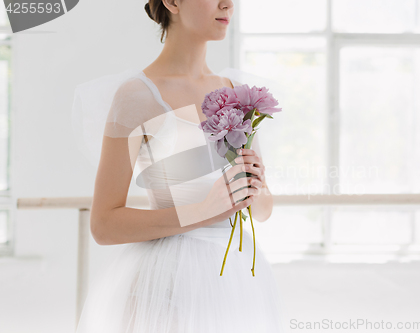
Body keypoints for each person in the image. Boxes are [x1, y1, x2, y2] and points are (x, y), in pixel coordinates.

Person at [72, 0, 287, 332]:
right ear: (172, 2)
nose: (228, 4)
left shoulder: (235, 93)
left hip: (238, 278)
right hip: (168, 279)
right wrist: (202, 211)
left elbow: (263, 210)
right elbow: (103, 225)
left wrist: (254, 186)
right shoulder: (138, 96)